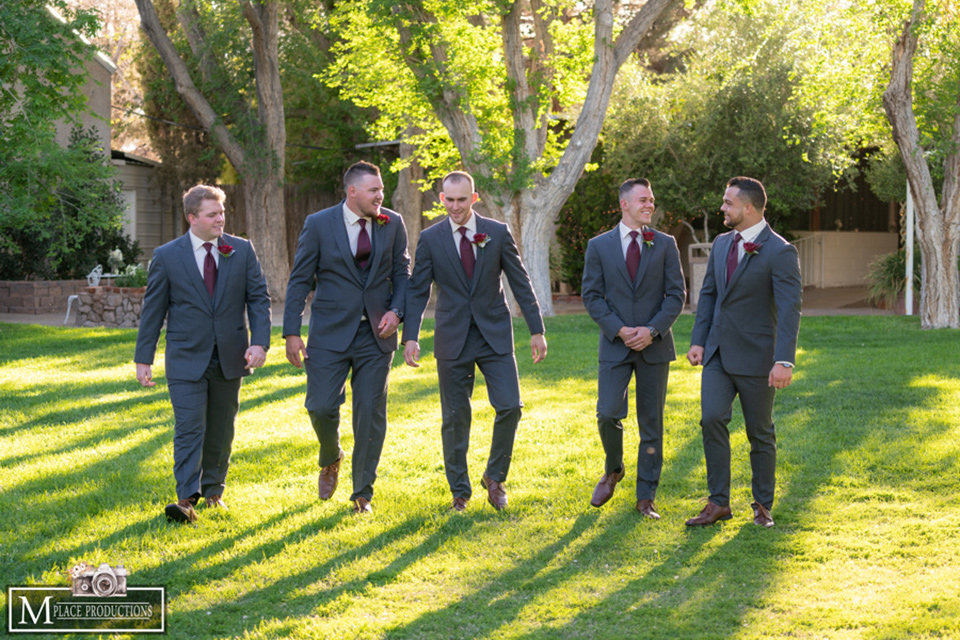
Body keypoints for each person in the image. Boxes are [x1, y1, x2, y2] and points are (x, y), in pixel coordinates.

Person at [402, 171, 547, 512]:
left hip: (493, 334)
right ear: (441, 199)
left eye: (462, 200)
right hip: (452, 337)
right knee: (455, 417)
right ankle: (459, 492)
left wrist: (536, 328)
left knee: (510, 406)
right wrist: (410, 337)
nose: (455, 206)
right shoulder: (430, 238)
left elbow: (519, 281)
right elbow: (418, 290)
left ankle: (495, 477)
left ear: (474, 198)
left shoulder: (495, 233)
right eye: (449, 200)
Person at [135, 185, 271, 524]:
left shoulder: (240, 250)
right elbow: (154, 310)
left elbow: (258, 299)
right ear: (192, 218)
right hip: (185, 357)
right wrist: (144, 359)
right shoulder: (167, 256)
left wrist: (260, 343)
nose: (220, 219)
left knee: (221, 430)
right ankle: (185, 500)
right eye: (212, 214)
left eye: (222, 213)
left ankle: (214, 493)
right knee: (189, 426)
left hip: (230, 356)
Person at [283, 161, 410, 515]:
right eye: (373, 191)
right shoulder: (319, 224)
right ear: (352, 191)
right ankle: (330, 455)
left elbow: (403, 273)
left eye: (381, 190)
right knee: (320, 406)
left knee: (369, 413)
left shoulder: (393, 223)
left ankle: (362, 494)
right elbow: (300, 280)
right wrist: (292, 331)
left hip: (376, 334)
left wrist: (397, 312)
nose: (380, 196)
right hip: (328, 334)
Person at [685, 176, 801, 528]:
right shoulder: (721, 244)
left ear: (748, 208)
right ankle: (718, 502)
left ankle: (762, 505)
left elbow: (790, 307)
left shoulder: (780, 251)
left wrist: (783, 360)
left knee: (759, 432)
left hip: (757, 357)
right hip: (718, 354)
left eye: (728, 202)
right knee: (711, 419)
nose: (722, 207)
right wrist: (698, 339)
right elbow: (709, 294)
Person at [580, 178, 686, 518]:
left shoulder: (666, 244)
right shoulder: (599, 246)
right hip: (615, 344)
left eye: (652, 200)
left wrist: (652, 331)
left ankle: (645, 497)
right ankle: (613, 469)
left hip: (654, 347)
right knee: (608, 412)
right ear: (624, 204)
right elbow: (592, 296)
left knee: (651, 423)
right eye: (643, 200)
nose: (649, 205)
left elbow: (676, 295)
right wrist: (621, 330)